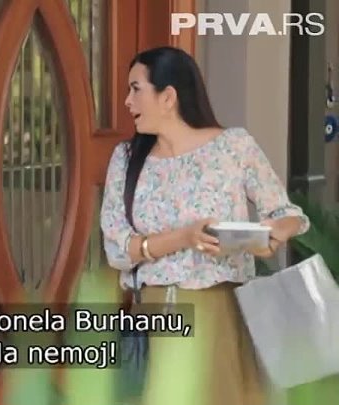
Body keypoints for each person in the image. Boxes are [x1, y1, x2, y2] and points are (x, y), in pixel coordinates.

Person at [100, 46, 310, 405]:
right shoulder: (125, 159)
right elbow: (118, 249)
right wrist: (184, 237)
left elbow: (287, 213)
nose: (126, 101)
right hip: (153, 317)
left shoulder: (233, 147)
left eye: (136, 89)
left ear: (168, 97)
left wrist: (272, 234)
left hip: (221, 312)